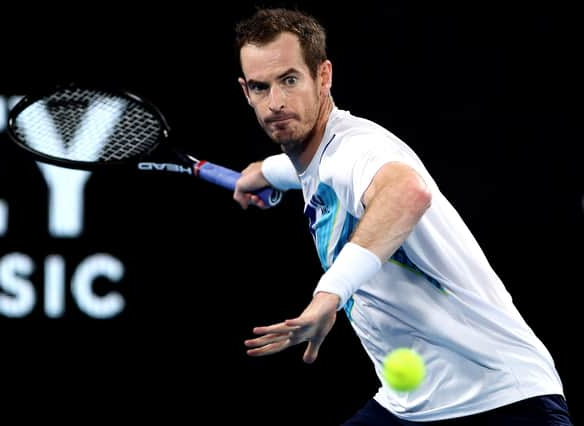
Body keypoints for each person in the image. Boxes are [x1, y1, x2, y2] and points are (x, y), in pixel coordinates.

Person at [232, 7, 572, 425]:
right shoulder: (315, 159)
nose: (276, 102)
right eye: (261, 88)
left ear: (323, 76)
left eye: (289, 80)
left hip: (501, 400)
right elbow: (307, 170)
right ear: (246, 92)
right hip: (412, 405)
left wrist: (329, 295)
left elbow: (408, 193)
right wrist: (265, 172)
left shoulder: (357, 150)